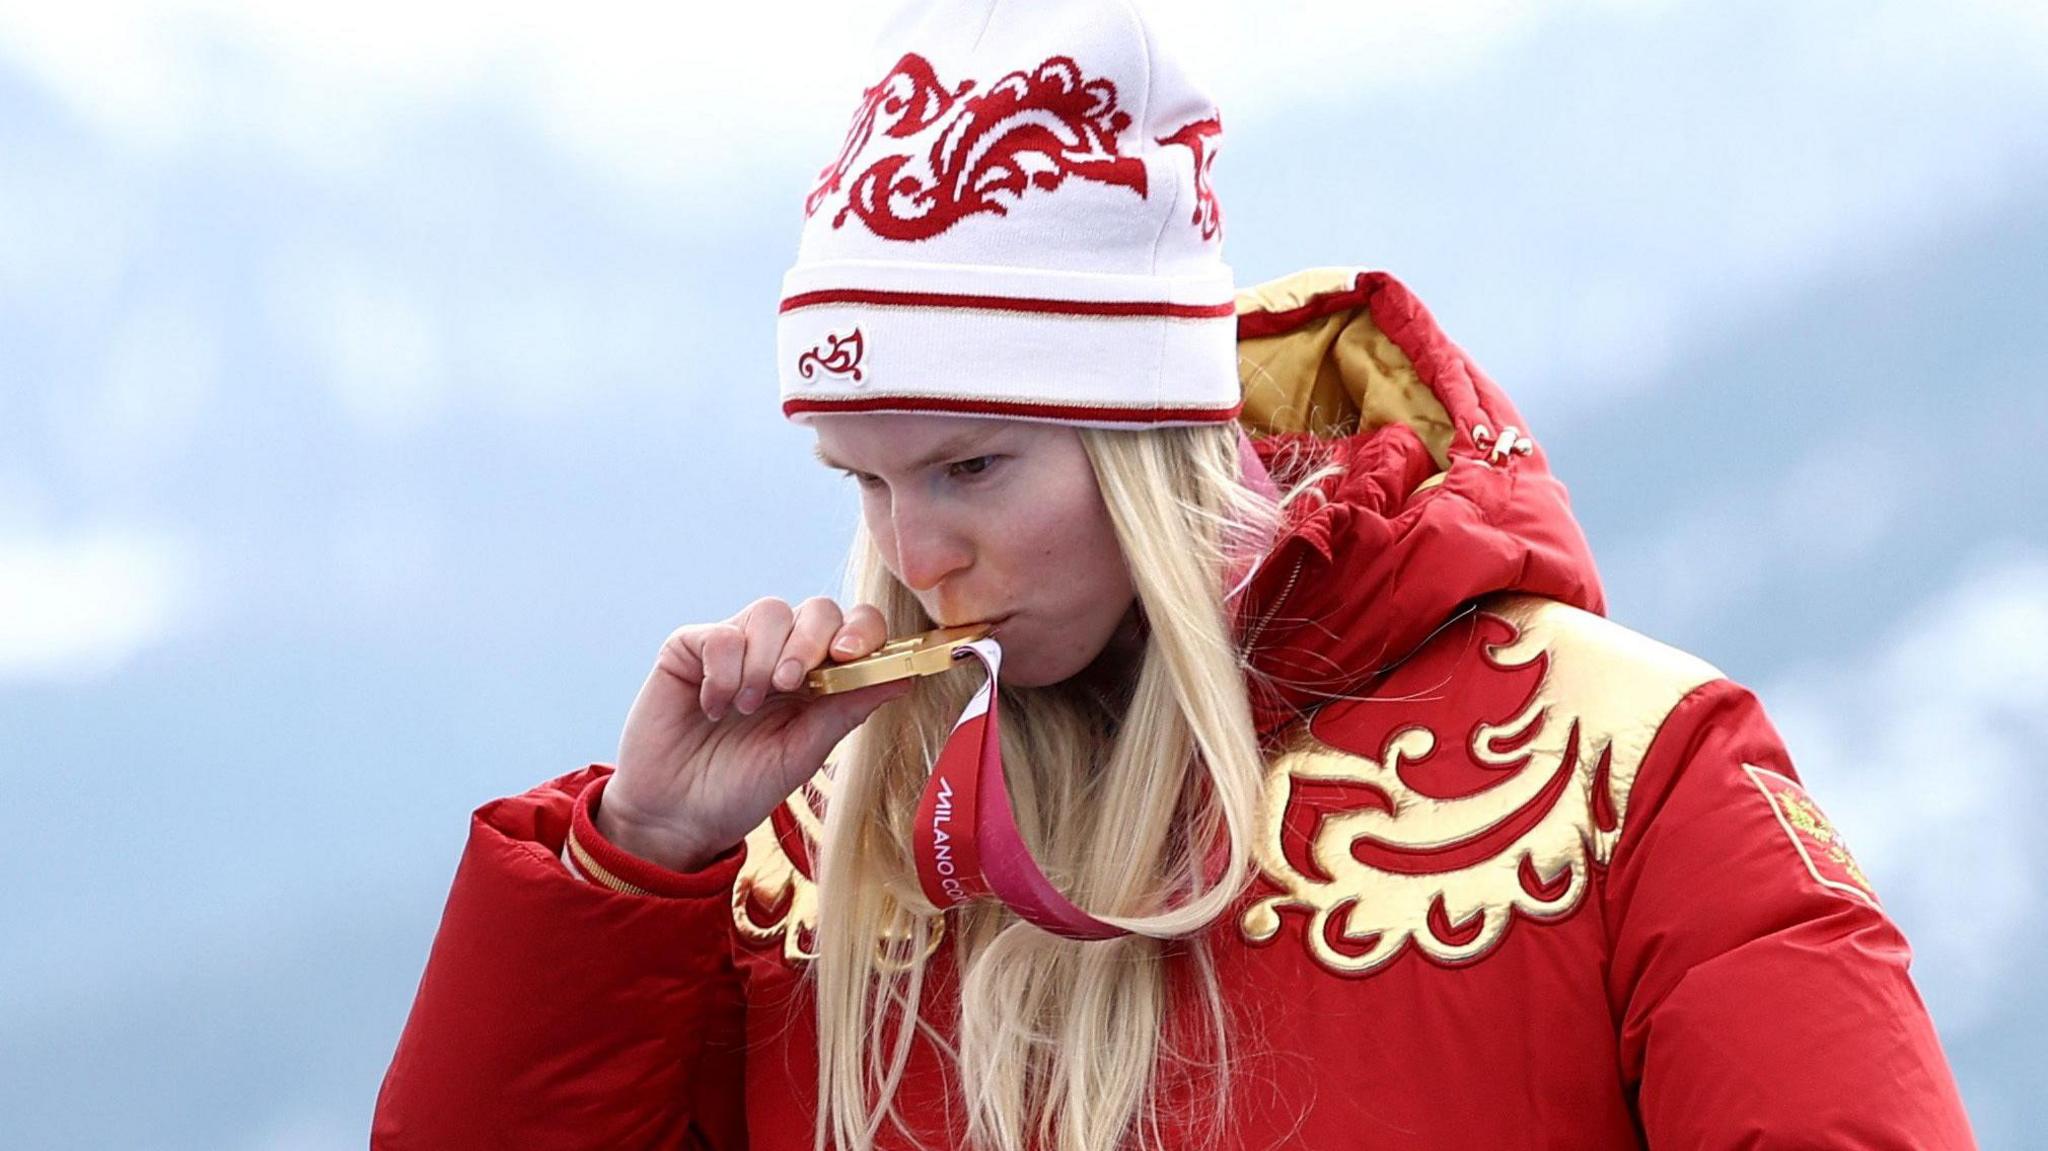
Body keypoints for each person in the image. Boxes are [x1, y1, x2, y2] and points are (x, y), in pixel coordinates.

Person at [371, 2, 1976, 1148]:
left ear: (1149, 448)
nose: (916, 561)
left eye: (973, 469)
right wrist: (634, 861)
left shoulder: (1622, 776)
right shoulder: (804, 851)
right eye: (863, 485)